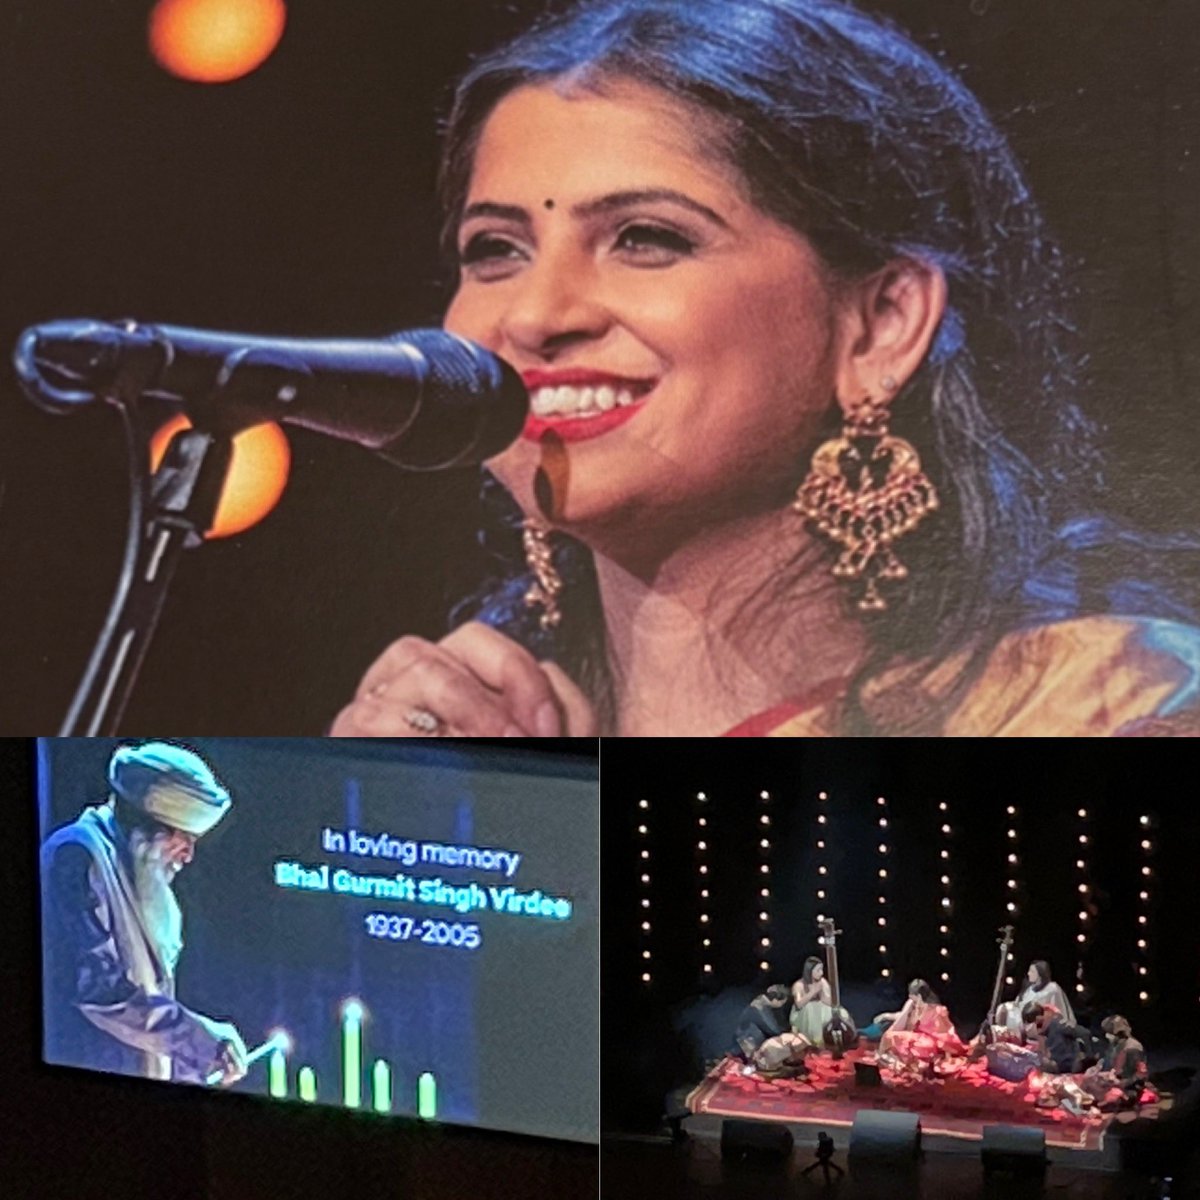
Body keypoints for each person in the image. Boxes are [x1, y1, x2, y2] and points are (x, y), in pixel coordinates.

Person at [330, 0, 1200, 738]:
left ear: (880, 325)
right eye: (496, 250)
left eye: (647, 239)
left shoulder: (1101, 705)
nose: (535, 315)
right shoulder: (468, 726)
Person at [41, 741, 249, 1086]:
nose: (188, 856)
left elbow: (150, 1019)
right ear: (149, 827)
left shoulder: (138, 874)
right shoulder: (77, 856)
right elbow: (103, 993)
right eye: (185, 838)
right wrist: (201, 1041)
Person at [875, 978, 966, 1078]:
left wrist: (947, 1050)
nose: (910, 997)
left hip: (929, 1042)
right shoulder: (913, 1005)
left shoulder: (937, 1010)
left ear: (919, 996)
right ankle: (898, 1061)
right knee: (891, 1036)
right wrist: (886, 1016)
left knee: (919, 1045)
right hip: (916, 1037)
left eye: (912, 995)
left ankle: (911, 1063)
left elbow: (945, 1034)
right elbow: (902, 1016)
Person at [996, 961, 1077, 1033]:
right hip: (1024, 1021)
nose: (1028, 973)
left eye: (1032, 971)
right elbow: (1019, 1004)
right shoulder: (1029, 989)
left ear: (1040, 973)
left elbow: (1058, 1012)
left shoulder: (1052, 988)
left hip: (1039, 1024)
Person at [790, 957, 854, 1045]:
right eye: (818, 970)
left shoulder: (822, 982)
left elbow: (829, 1001)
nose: (821, 973)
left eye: (821, 970)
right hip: (804, 1012)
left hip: (821, 1008)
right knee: (812, 1009)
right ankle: (816, 1041)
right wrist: (813, 992)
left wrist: (823, 995)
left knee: (840, 1012)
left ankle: (839, 1039)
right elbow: (799, 1004)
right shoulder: (799, 985)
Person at [733, 983, 792, 1061]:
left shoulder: (761, 1000)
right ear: (775, 1000)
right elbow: (773, 1029)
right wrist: (788, 1033)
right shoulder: (760, 1007)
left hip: (752, 1035)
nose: (781, 1005)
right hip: (749, 1040)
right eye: (782, 1003)